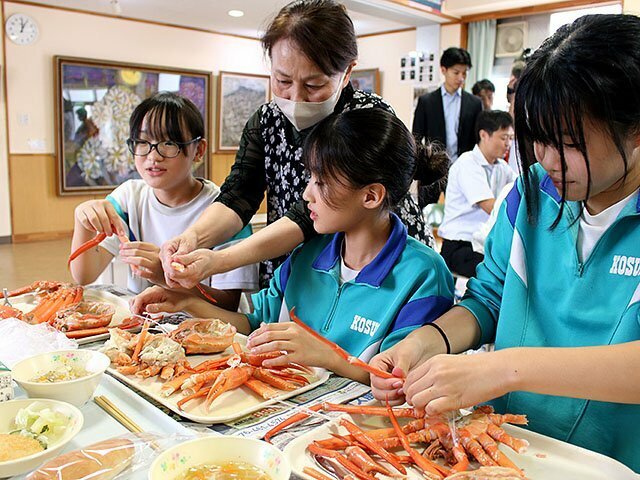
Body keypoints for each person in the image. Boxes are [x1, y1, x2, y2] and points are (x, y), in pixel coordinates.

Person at [369, 14, 640, 471]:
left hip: (611, 464)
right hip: (508, 450)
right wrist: (427, 341)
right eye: (537, 137)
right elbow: (487, 300)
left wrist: (501, 369)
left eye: (569, 142)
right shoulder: (530, 194)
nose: (547, 159)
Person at [132, 108, 454, 385]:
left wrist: (326, 355)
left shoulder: (423, 275)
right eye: (310, 178)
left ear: (371, 196)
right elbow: (253, 326)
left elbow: (399, 381)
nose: (306, 195)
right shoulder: (306, 255)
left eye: (321, 183)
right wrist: (185, 301)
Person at [159, 0, 434, 291]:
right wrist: (192, 238)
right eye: (282, 80)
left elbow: (304, 216)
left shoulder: (366, 119)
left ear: (347, 72)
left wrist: (220, 260)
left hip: (368, 274)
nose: (296, 97)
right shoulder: (266, 121)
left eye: (314, 85)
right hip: (297, 272)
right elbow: (238, 194)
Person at [70, 92, 258, 309]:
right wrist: (81, 220)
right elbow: (84, 275)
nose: (153, 156)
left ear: (199, 150)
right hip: (150, 330)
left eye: (168, 142)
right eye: (142, 141)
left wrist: (165, 277)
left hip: (209, 330)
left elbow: (228, 304)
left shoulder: (226, 210)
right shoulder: (128, 198)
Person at [438, 110, 517, 278]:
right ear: (484, 135)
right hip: (459, 246)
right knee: (500, 275)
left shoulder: (502, 167)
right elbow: (491, 207)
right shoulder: (467, 163)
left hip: (483, 244)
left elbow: (519, 190)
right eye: (503, 138)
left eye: (511, 138)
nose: (508, 144)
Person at [413, 47, 482, 164]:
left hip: (464, 167)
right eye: (456, 73)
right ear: (443, 70)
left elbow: (478, 139)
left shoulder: (474, 103)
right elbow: (417, 138)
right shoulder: (426, 102)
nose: (461, 78)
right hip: (434, 168)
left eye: (464, 73)